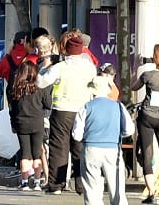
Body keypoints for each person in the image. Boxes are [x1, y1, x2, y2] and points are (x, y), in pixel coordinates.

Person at [38, 30, 97, 194]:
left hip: (62, 111)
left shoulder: (60, 67)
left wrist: (44, 68)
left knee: (58, 148)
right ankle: (81, 185)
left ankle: (56, 184)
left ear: (66, 51)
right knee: (80, 148)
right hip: (83, 111)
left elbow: (41, 83)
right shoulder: (90, 67)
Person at [79, 78, 131, 205]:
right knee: (117, 188)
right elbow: (129, 129)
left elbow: (76, 134)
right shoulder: (118, 106)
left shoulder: (86, 107)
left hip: (91, 148)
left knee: (92, 188)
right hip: (113, 149)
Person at [131, 44, 159, 204]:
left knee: (147, 154)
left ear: (155, 57)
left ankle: (152, 192)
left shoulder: (148, 75)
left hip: (147, 117)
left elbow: (134, 87)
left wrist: (136, 70)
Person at [8, 62, 51, 190]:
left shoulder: (16, 88)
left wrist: (13, 124)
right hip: (37, 122)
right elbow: (48, 104)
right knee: (37, 153)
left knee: (25, 154)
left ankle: (25, 182)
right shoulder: (39, 88)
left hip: (21, 123)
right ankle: (37, 182)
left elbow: (12, 108)